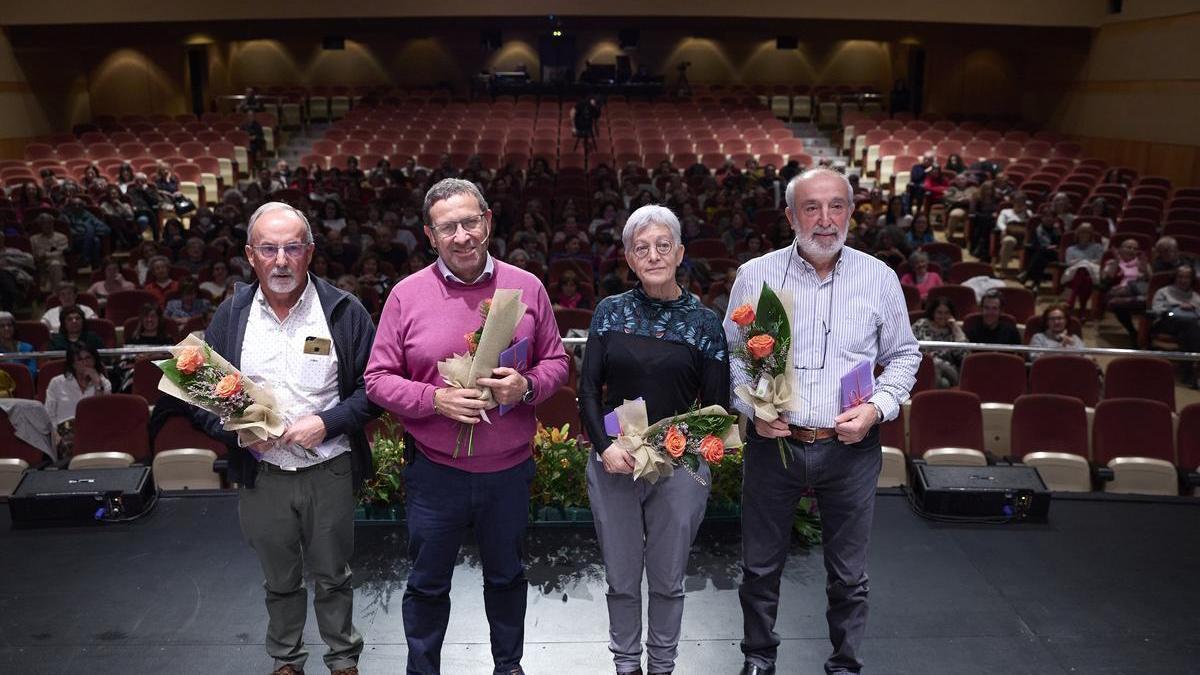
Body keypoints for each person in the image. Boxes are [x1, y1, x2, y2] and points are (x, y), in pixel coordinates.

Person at [364, 178, 569, 675]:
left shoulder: (527, 287)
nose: (461, 236)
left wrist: (525, 386)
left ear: (488, 222)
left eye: (470, 222)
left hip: (508, 473)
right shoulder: (406, 295)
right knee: (427, 585)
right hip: (435, 475)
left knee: (507, 578)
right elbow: (376, 379)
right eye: (447, 227)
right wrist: (434, 399)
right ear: (429, 235)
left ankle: (508, 667)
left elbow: (558, 363)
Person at [723, 168, 920, 675]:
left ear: (851, 212)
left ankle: (845, 665)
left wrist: (877, 408)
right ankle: (758, 658)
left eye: (837, 206)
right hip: (775, 445)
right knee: (760, 567)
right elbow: (734, 356)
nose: (825, 219)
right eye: (812, 207)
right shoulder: (756, 275)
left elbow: (904, 355)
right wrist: (753, 409)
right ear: (791, 216)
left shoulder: (878, 277)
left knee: (849, 575)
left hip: (851, 448)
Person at [192, 201, 379, 675]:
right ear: (250, 255)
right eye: (268, 249)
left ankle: (342, 659)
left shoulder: (343, 311)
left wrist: (328, 422)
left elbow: (375, 391)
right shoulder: (232, 315)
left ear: (310, 252)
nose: (280, 260)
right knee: (279, 580)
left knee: (334, 575)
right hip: (263, 475)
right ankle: (286, 659)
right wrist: (238, 434)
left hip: (328, 469)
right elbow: (201, 394)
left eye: (292, 248)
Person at [578, 204, 730, 675]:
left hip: (679, 467)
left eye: (663, 245)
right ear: (629, 257)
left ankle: (662, 665)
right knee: (621, 579)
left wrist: (682, 448)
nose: (653, 255)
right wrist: (605, 447)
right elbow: (588, 391)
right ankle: (626, 665)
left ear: (680, 253)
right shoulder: (610, 313)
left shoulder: (705, 322)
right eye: (641, 248)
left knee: (667, 580)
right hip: (615, 461)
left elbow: (716, 408)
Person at [44, 342, 110, 449]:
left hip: (92, 432)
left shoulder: (104, 383)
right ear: (72, 364)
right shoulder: (57, 383)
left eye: (88, 358)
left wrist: (98, 385)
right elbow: (48, 414)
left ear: (95, 360)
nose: (85, 363)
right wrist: (54, 434)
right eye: (79, 360)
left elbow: (101, 414)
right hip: (63, 433)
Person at [1151, 265, 1200, 379]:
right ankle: (1194, 365)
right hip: (1166, 321)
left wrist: (1193, 308)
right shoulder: (1163, 292)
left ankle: (1187, 371)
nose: (1183, 280)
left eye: (1187, 277)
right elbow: (1157, 311)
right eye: (1180, 277)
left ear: (1191, 280)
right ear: (1175, 278)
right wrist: (1175, 308)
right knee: (1189, 326)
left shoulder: (1196, 297)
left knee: (1187, 331)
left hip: (1189, 325)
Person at [1101, 238, 1151, 346]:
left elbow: (1151, 282)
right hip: (1121, 295)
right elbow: (1107, 279)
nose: (1132, 250)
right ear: (1120, 249)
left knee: (1116, 299)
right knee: (1116, 302)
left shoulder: (1142, 263)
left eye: (1135, 248)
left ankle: (1140, 334)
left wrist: (1145, 269)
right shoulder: (1112, 262)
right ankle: (1132, 331)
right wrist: (1116, 261)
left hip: (1136, 292)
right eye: (1129, 247)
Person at [911, 296, 969, 388]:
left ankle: (930, 394)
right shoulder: (921, 324)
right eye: (939, 313)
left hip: (949, 370)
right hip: (922, 367)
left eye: (947, 313)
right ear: (933, 313)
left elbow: (964, 355)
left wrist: (955, 328)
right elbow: (908, 343)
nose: (943, 316)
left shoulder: (953, 330)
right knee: (943, 383)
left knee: (936, 363)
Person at [1062, 223, 1104, 320]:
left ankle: (1071, 301)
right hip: (1073, 274)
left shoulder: (1098, 247)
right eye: (1082, 232)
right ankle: (1082, 309)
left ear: (1091, 234)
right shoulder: (1070, 249)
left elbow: (1099, 261)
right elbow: (1069, 262)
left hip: (1092, 273)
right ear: (1077, 233)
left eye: (1087, 232)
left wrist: (1083, 262)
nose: (1084, 234)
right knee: (1083, 273)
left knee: (1085, 273)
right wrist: (1085, 262)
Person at [0, 310, 37, 378]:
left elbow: (32, 372)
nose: (6, 328)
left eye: (9, 325)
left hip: (23, 382)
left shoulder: (27, 348)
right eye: (2, 326)